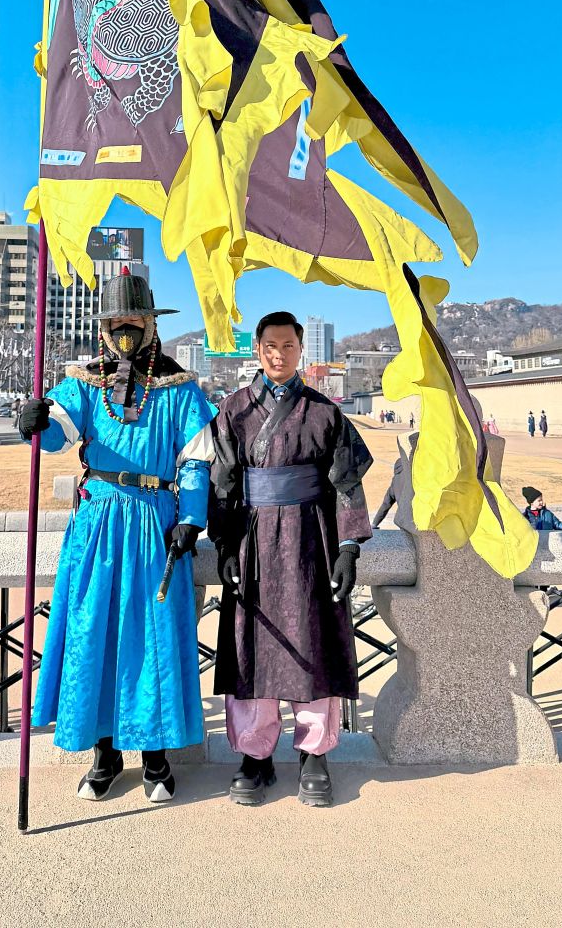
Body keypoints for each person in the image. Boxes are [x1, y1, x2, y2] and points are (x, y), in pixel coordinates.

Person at [18, 268, 215, 804]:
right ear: (105, 327)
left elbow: (195, 464)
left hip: (155, 521)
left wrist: (191, 518)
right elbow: (59, 434)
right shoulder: (84, 385)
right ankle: (105, 754)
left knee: (152, 637)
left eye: (135, 320)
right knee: (97, 634)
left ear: (150, 324)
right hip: (99, 523)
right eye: (117, 322)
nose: (126, 330)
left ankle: (155, 759)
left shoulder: (179, 388)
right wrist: (35, 421)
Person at [209, 310, 373, 808]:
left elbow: (346, 483)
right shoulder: (233, 410)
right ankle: (255, 756)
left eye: (288, 346)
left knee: (312, 641)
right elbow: (222, 485)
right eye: (270, 346)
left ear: (302, 350)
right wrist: (224, 545)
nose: (279, 355)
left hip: (310, 540)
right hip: (253, 539)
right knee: (251, 646)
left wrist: (348, 548)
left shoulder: (325, 413)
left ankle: (314, 753)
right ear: (256, 350)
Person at [373, 457, 404, 528]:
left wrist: (375, 523)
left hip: (403, 520)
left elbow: (386, 503)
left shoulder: (395, 481)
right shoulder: (415, 476)